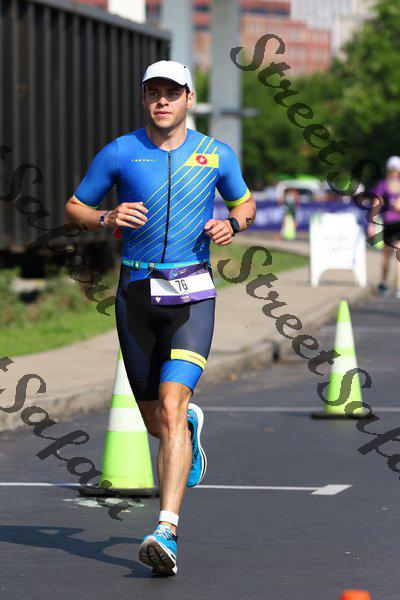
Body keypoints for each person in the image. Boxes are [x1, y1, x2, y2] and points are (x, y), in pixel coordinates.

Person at [64, 60, 256, 576]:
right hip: (136, 295)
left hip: (192, 296)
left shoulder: (216, 154)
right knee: (158, 420)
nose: (162, 101)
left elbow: (245, 204)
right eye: (154, 92)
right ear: (144, 98)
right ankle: (188, 426)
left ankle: (165, 529)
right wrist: (105, 216)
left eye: (173, 92)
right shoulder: (120, 151)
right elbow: (74, 207)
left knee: (171, 407)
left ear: (190, 98)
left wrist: (233, 224)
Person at [368, 155, 400, 297]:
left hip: (389, 223)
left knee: (386, 255)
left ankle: (384, 283)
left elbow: (376, 203)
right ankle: (398, 287)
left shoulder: (384, 184)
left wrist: (372, 222)